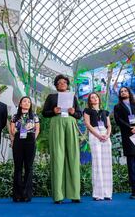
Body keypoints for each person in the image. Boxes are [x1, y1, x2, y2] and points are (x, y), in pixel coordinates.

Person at [42, 74, 82, 204]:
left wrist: (73, 112)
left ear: (67, 85)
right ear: (56, 85)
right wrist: (54, 110)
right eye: (59, 82)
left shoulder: (72, 96)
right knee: (58, 157)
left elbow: (79, 114)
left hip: (70, 123)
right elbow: (44, 113)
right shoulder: (51, 97)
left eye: (64, 82)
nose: (62, 83)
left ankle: (75, 194)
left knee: (73, 156)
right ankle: (58, 196)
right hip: (56, 123)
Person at [83, 92, 113, 201]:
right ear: (90, 101)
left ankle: (107, 193)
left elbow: (109, 125)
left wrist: (107, 135)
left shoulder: (105, 112)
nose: (94, 98)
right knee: (97, 163)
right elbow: (87, 124)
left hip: (105, 134)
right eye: (92, 98)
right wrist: (98, 135)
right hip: (95, 134)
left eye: (96, 97)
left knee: (107, 164)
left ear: (99, 99)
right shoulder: (87, 111)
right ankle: (98, 193)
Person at [10, 96, 40, 202]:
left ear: (30, 105)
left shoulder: (34, 116)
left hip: (30, 140)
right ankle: (17, 195)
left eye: (29, 102)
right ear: (20, 104)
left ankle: (26, 194)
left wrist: (33, 139)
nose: (27, 103)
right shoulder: (15, 116)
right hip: (18, 140)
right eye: (24, 101)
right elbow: (12, 130)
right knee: (18, 167)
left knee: (29, 167)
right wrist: (16, 133)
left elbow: (37, 129)